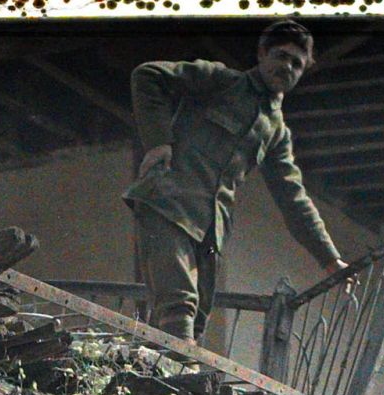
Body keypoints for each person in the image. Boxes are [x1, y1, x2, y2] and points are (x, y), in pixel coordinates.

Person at [125, 20, 347, 341]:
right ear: (262, 53)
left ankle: (164, 386)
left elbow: (293, 198)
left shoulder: (276, 132)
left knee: (197, 320)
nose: (287, 67)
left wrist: (329, 259)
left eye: (297, 64)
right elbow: (148, 75)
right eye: (281, 56)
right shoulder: (221, 81)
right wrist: (159, 142)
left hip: (209, 230)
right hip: (169, 203)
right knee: (178, 307)